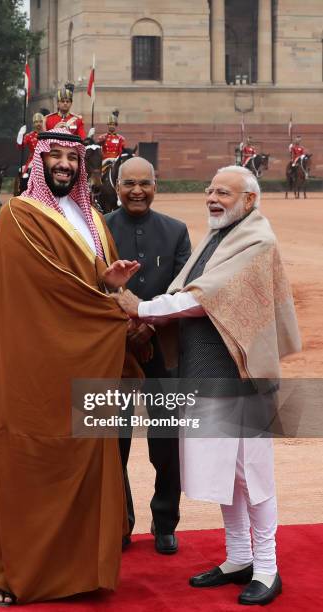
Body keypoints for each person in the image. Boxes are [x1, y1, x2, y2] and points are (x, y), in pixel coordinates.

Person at [114, 165, 301, 606]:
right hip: (208, 375)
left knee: (253, 476)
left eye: (223, 192)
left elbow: (202, 298)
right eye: (209, 190)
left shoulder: (257, 239)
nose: (212, 198)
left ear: (249, 200)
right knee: (227, 475)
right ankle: (238, 557)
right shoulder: (221, 236)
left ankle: (267, 567)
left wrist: (141, 307)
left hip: (243, 379)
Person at [0, 127, 143, 605]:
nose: (66, 165)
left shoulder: (92, 217)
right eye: (57, 158)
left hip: (86, 361)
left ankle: (79, 573)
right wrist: (116, 313)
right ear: (39, 162)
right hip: (36, 364)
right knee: (31, 461)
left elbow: (88, 283)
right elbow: (48, 291)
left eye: (73, 158)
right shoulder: (19, 217)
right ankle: (17, 575)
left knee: (89, 458)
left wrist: (109, 281)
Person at [105, 157, 191, 554]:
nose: (137, 191)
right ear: (116, 185)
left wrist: (148, 322)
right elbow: (89, 285)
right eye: (129, 184)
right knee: (111, 441)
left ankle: (165, 520)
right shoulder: (98, 228)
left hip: (162, 352)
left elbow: (183, 290)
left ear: (156, 186)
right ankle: (119, 521)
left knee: (166, 442)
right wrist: (124, 324)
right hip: (111, 353)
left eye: (145, 183)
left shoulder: (176, 232)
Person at [16, 112, 44, 192]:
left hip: (45, 158)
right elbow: (20, 147)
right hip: (33, 159)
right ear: (33, 123)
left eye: (40, 121)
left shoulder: (47, 134)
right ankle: (23, 192)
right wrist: (20, 135)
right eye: (36, 122)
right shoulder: (29, 136)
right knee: (25, 175)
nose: (38, 124)